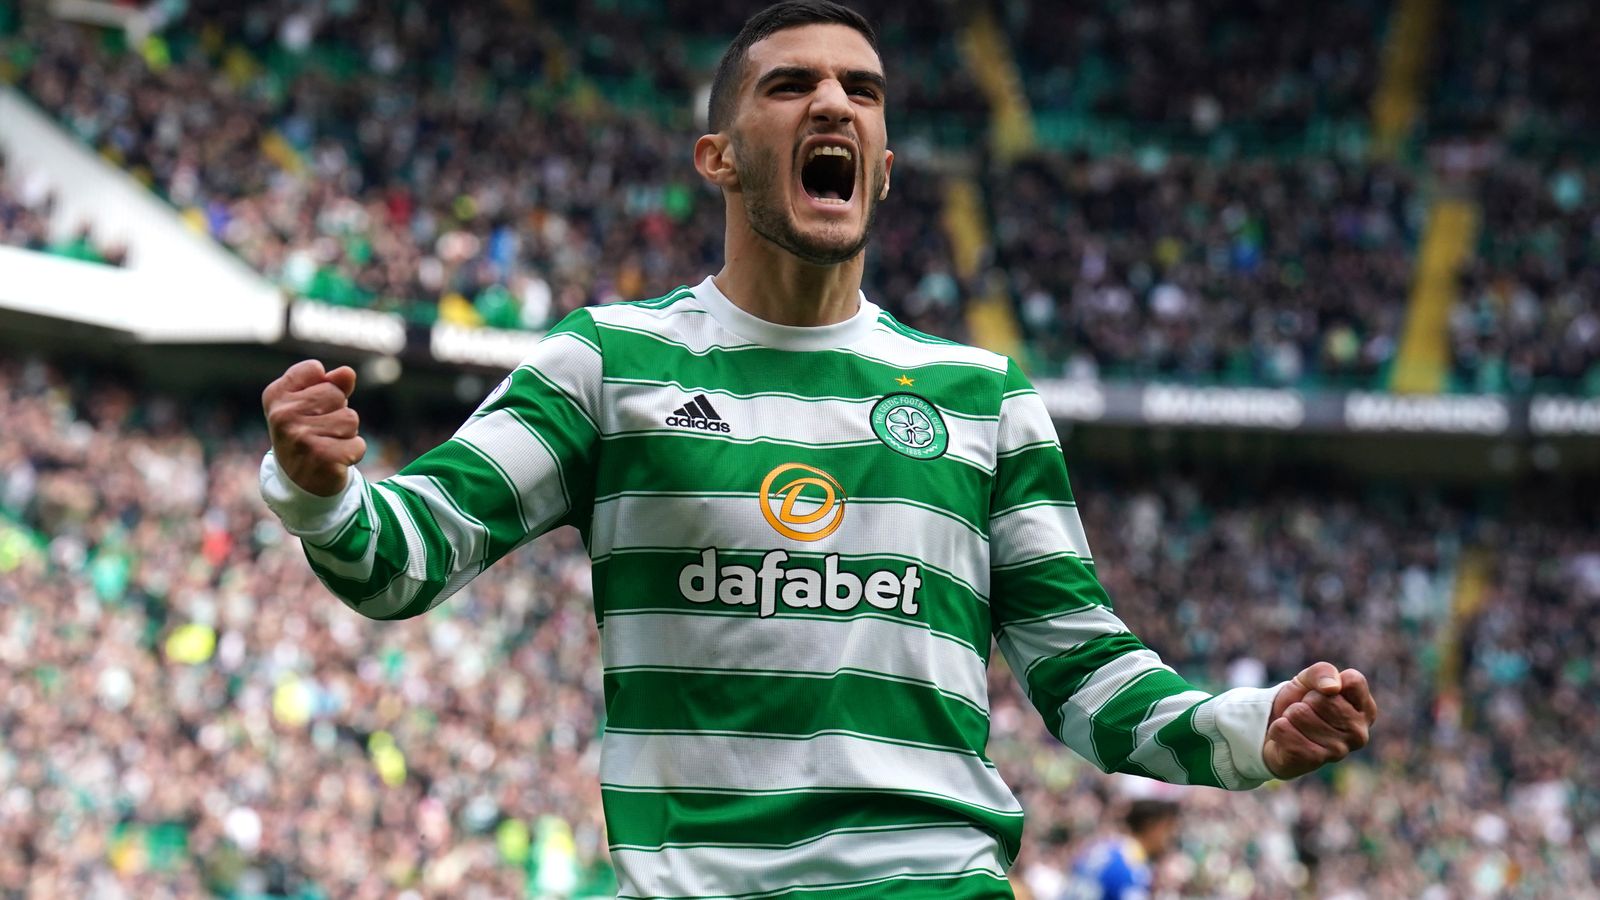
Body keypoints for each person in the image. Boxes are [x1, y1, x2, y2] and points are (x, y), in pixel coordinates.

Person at [257, 3, 1378, 897]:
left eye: (863, 91)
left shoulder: (982, 396)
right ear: (718, 156)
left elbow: (1083, 674)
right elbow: (402, 559)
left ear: (882, 167)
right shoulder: (607, 364)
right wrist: (319, 491)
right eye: (790, 84)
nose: (834, 102)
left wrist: (1245, 728)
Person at [1064, 799, 1181, 900]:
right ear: (1151, 826)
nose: (1173, 835)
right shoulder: (1133, 867)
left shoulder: (1101, 848)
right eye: (1169, 827)